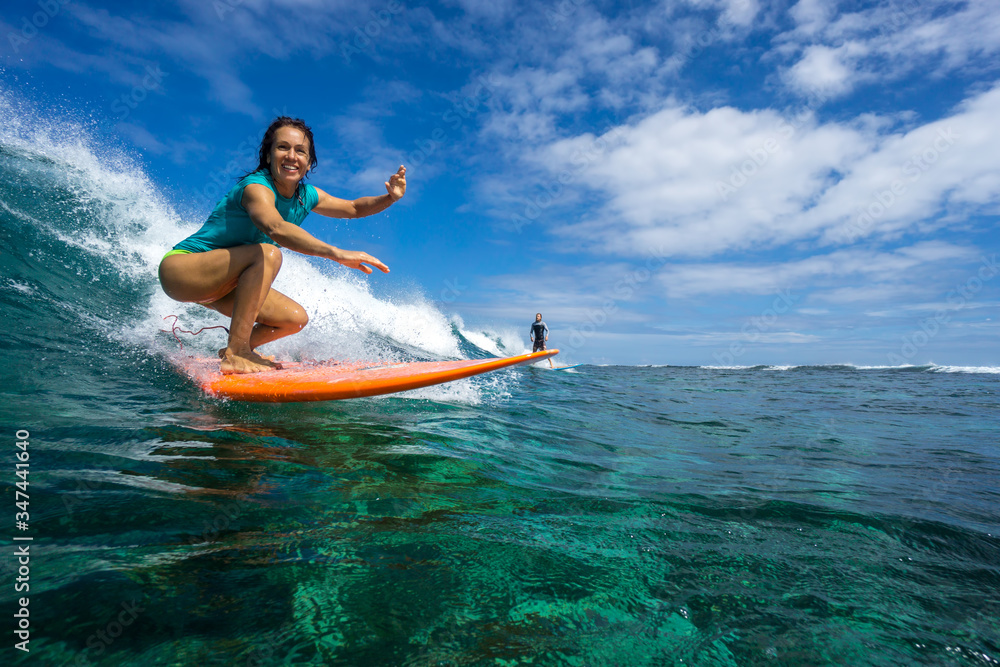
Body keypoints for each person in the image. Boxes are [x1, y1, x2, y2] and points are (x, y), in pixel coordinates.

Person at [158, 116, 405, 374]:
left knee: (294, 319)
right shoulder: (256, 188)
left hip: (221, 286)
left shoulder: (306, 196)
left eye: (300, 151)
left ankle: (236, 349)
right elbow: (275, 227)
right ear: (268, 155)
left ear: (309, 163)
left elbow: (353, 208)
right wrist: (337, 254)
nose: (291, 156)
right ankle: (237, 352)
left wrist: (390, 198)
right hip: (182, 270)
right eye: (282, 147)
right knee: (268, 254)